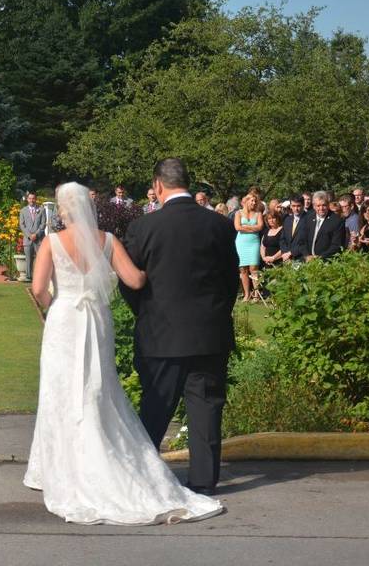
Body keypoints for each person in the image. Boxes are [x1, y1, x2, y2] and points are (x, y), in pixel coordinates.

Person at [25, 180, 222, 525]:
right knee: (98, 390)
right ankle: (105, 457)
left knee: (59, 390)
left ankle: (57, 466)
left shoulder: (51, 242)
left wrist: (52, 307)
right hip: (97, 319)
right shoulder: (107, 240)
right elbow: (136, 280)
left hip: (65, 319)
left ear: (63, 209)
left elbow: (38, 288)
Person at [120, 158, 239, 498]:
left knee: (156, 408)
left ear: (157, 185)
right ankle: (203, 481)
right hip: (208, 333)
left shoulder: (145, 228)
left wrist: (146, 314)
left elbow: (130, 283)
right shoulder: (218, 225)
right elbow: (230, 280)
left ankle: (140, 476)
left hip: (161, 334)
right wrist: (215, 315)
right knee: (205, 408)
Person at [296, 191, 346, 261]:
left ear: (328, 205)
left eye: (324, 205)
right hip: (307, 260)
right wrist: (307, 255)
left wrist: (319, 258)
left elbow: (336, 245)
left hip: (327, 262)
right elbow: (301, 241)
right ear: (313, 206)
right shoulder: (308, 218)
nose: (321, 208)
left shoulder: (337, 221)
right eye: (318, 205)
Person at [234, 194, 263, 302]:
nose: (254, 203)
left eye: (255, 201)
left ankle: (256, 294)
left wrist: (245, 227)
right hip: (241, 243)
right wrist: (252, 228)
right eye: (252, 201)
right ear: (246, 201)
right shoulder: (238, 213)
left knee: (254, 269)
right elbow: (237, 227)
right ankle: (246, 294)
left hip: (253, 243)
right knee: (243, 269)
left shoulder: (258, 214)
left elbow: (260, 227)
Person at [18, 192, 46, 282]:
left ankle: (40, 277)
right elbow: (22, 225)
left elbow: (43, 224)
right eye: (30, 198)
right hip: (28, 239)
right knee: (28, 259)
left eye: (33, 198)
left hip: (39, 239)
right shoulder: (23, 210)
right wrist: (29, 235)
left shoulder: (41, 210)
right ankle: (29, 277)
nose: (31, 200)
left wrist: (36, 234)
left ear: (36, 199)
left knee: (40, 259)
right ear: (27, 199)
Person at [279, 196, 306, 262]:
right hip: (287, 259)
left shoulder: (309, 219)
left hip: (301, 257)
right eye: (293, 206)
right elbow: (282, 239)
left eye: (298, 206)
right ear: (290, 206)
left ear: (303, 205)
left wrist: (291, 253)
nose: (296, 209)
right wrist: (285, 253)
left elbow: (306, 242)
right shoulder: (287, 219)